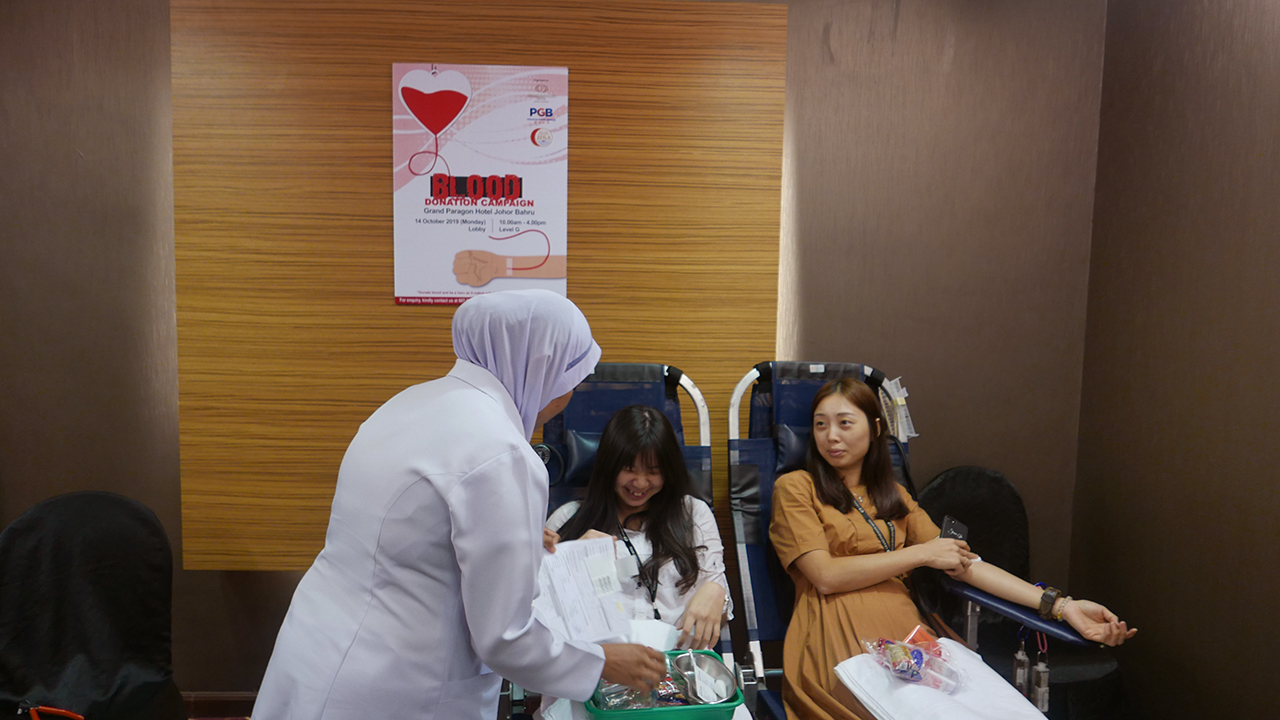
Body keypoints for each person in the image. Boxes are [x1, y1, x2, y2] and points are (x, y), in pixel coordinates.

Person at [252, 290, 665, 720]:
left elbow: (410, 531)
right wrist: (601, 662)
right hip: (395, 682)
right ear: (542, 369)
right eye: (571, 379)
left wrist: (515, 539)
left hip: (319, 644)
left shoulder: (410, 403)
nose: (571, 392)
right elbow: (505, 639)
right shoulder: (502, 452)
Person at [770, 377, 1137, 720]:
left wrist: (1062, 606)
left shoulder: (894, 496)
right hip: (835, 633)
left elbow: (966, 564)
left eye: (845, 423)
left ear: (876, 429)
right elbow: (826, 576)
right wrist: (922, 553)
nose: (831, 436)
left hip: (908, 634)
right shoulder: (796, 487)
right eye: (820, 425)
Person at [544, 404, 732, 651]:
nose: (641, 483)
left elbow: (718, 614)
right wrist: (571, 564)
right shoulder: (567, 520)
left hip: (676, 664)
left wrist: (717, 593)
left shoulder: (693, 514)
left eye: (654, 472)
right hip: (601, 662)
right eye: (628, 469)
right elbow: (542, 614)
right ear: (609, 466)